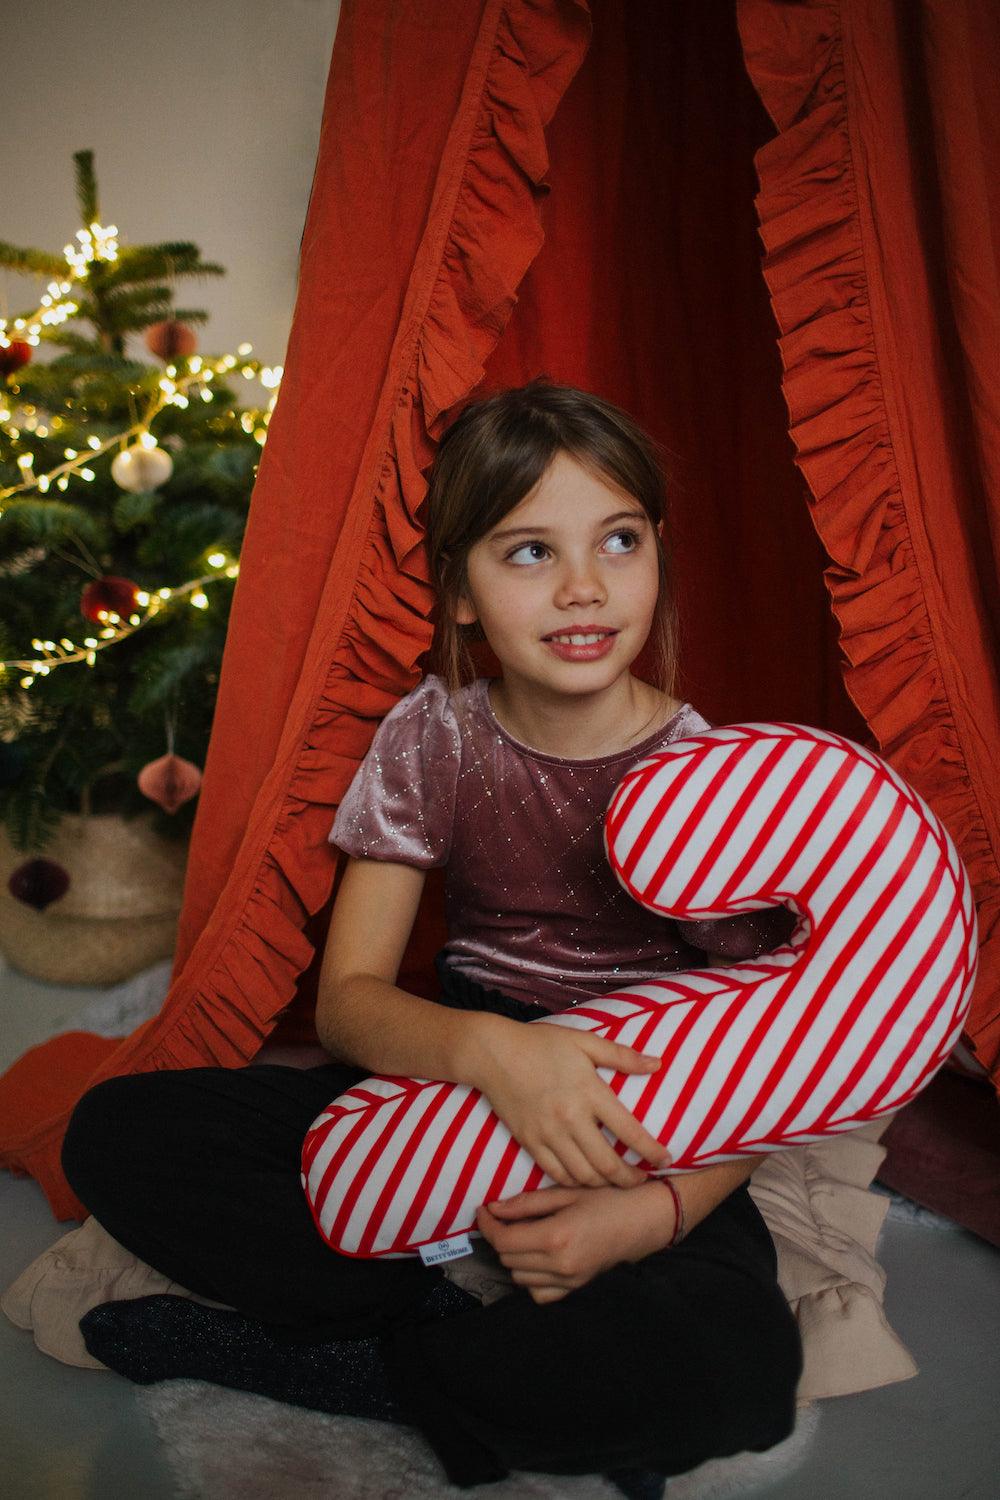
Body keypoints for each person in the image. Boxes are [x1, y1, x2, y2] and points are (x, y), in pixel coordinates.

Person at [61, 380, 802, 1498]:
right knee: (118, 1132)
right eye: (527, 554)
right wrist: (491, 1057)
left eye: (617, 540)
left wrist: (647, 1214)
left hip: (648, 1101)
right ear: (458, 589)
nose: (585, 586)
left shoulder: (712, 773)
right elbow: (353, 999)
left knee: (736, 1372)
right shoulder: (434, 735)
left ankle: (376, 1369)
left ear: (656, 553)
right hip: (453, 1066)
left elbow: (777, 1054)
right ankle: (448, 1300)